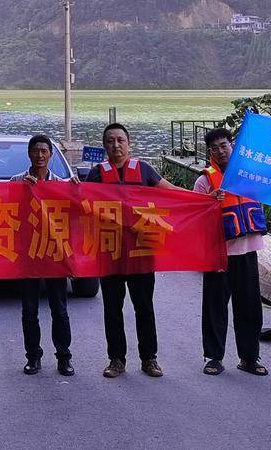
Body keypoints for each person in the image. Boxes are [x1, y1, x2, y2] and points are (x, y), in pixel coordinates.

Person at [86, 122, 183, 380]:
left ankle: (149, 358)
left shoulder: (144, 170)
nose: (115, 145)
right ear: (104, 146)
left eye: (120, 140)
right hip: (110, 251)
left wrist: (207, 198)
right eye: (110, 141)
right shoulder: (96, 174)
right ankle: (116, 359)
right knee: (112, 308)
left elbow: (172, 193)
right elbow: (79, 205)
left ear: (129, 144)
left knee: (144, 307)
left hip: (141, 251)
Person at [195, 127, 268, 377]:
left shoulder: (249, 175)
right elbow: (194, 218)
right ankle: (213, 357)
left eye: (224, 145)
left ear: (232, 145)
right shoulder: (204, 181)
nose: (220, 151)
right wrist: (210, 202)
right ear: (209, 152)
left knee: (249, 307)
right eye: (214, 147)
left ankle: (249, 357)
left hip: (247, 251)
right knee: (215, 306)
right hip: (218, 254)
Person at [11, 134, 77, 377]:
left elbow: (72, 218)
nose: (39, 155)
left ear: (50, 155)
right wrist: (22, 192)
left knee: (59, 308)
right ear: (29, 154)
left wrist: (78, 191)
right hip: (28, 255)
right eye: (35, 151)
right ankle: (33, 356)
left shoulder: (60, 184)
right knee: (29, 310)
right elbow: (8, 217)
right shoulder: (16, 181)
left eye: (44, 151)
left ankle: (64, 357)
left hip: (53, 254)